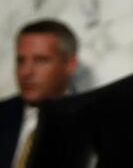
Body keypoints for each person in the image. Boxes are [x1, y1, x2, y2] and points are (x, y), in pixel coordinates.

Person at [1, 20, 78, 168]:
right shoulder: (3, 114)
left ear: (70, 64)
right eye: (20, 61)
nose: (26, 72)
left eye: (40, 60)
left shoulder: (90, 122)